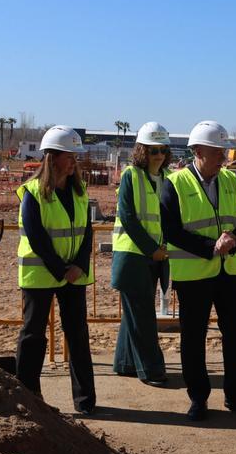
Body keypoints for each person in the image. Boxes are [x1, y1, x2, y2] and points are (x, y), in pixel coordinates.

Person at [161, 120, 236, 421]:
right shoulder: (175, 183)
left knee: (235, 336)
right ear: (198, 151)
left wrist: (235, 239)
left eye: (223, 151)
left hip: (230, 273)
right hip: (194, 276)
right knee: (193, 339)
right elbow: (172, 231)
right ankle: (198, 398)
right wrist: (209, 247)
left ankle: (235, 394)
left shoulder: (230, 180)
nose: (223, 157)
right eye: (217, 151)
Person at [15, 125, 97, 414]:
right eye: (69, 155)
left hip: (74, 274)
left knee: (77, 334)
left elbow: (87, 232)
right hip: (42, 274)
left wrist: (79, 265)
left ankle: (85, 400)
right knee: (33, 334)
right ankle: (27, 395)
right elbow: (36, 237)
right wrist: (61, 269)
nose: (75, 160)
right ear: (51, 158)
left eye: (75, 155)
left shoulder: (79, 191)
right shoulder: (33, 193)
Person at [111, 121, 172, 387]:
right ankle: (151, 369)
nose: (157, 155)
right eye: (152, 150)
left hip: (156, 258)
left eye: (161, 149)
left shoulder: (169, 178)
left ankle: (125, 364)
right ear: (142, 151)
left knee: (134, 313)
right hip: (133, 256)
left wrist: (162, 252)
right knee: (143, 315)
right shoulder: (130, 176)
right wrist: (151, 250)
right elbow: (128, 217)